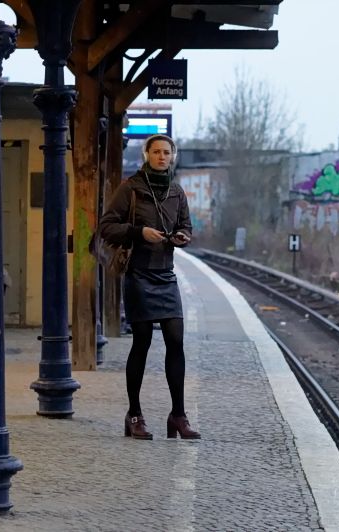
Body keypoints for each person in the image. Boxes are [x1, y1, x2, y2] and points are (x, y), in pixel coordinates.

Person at [98, 134, 200, 440]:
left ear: (173, 156)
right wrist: (139, 231)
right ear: (146, 155)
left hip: (165, 275)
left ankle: (178, 416)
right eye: (156, 151)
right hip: (138, 274)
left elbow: (186, 227)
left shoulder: (177, 192)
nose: (161, 156)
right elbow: (106, 227)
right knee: (141, 342)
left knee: (175, 339)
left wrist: (181, 236)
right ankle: (134, 415)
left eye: (166, 152)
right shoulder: (131, 188)